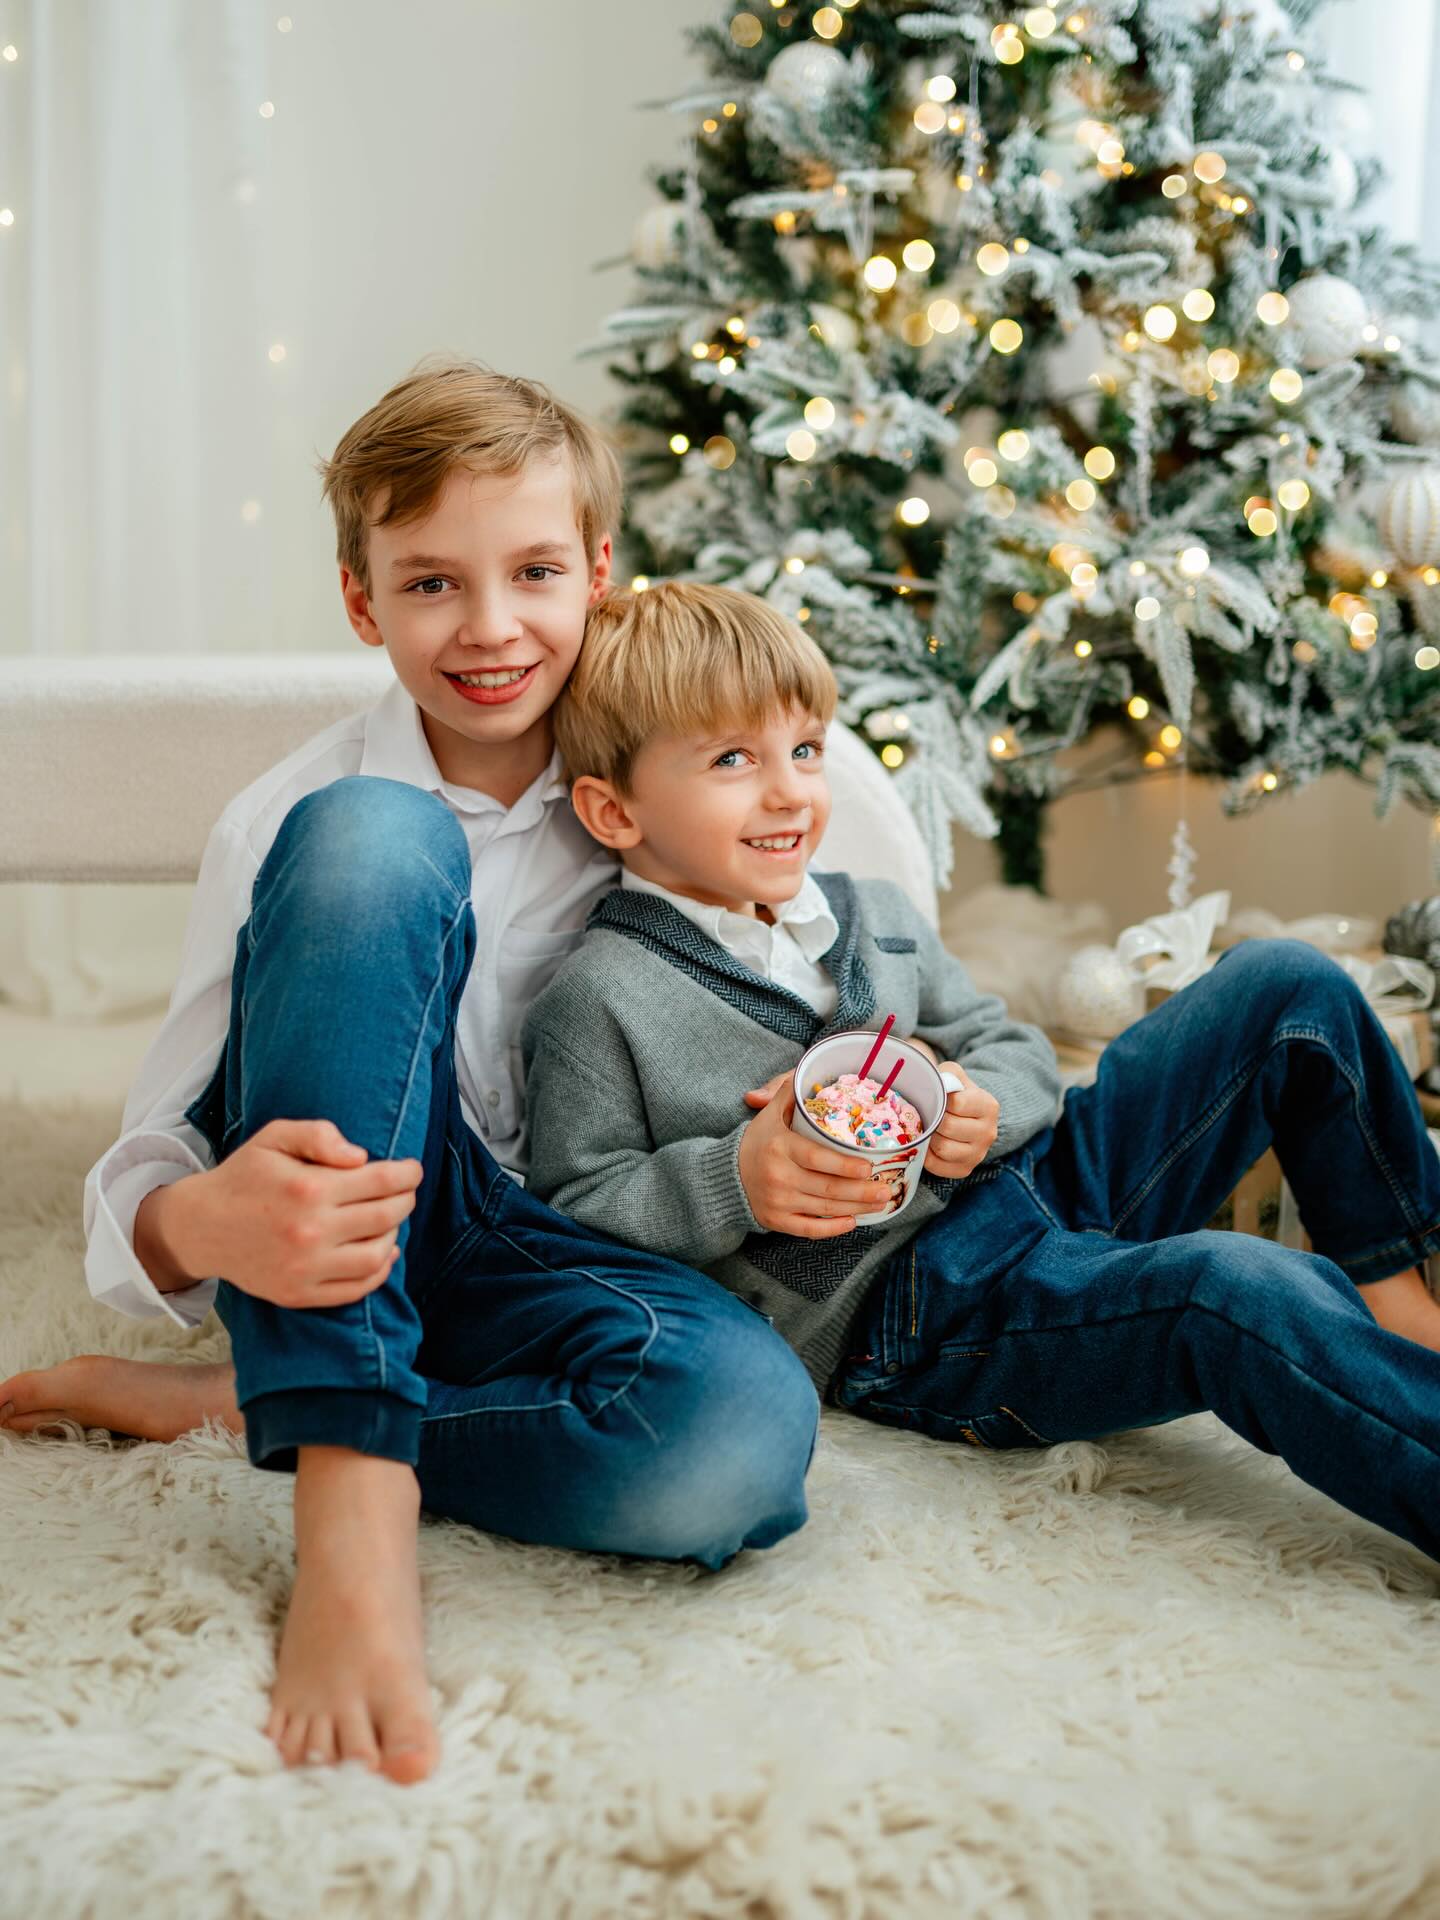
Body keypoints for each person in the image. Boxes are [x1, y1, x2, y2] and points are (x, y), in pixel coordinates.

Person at [0, 366, 822, 1786]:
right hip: (347, 1202)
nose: (491, 628)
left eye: (536, 572)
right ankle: (352, 1502)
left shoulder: (663, 781)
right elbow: (153, 1151)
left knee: (738, 1444)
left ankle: (249, 1405)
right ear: (363, 604)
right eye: (432, 584)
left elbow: (814, 963)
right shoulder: (292, 816)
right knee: (374, 835)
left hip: (547, 1241)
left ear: (601, 574)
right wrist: (201, 1224)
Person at [519, 577, 1440, 1568]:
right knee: (1233, 1285)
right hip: (921, 1310)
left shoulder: (873, 915)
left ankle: (1399, 1298)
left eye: (804, 750)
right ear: (613, 811)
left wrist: (975, 1101)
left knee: (1286, 984)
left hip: (1044, 1178)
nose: (788, 791)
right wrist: (735, 1178)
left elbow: (1010, 1045)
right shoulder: (598, 1000)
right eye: (733, 760)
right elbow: (574, 1211)